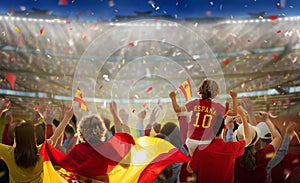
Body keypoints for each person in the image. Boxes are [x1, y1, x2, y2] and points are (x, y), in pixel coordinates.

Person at [0, 97, 74, 183]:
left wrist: (1, 109)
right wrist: (66, 119)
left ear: (15, 138)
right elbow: (56, 135)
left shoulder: (9, 154)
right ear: (34, 137)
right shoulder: (41, 152)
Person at [169, 79, 238, 156]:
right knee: (204, 163)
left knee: (194, 163)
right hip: (206, 142)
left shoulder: (195, 103)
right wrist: (234, 97)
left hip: (191, 141)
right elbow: (234, 113)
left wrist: (173, 98)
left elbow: (177, 109)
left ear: (200, 90)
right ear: (215, 93)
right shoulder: (217, 107)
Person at [187, 106, 252, 183]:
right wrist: (243, 116)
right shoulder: (231, 148)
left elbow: (189, 169)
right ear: (224, 128)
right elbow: (248, 139)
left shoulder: (201, 150)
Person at [234, 111, 282, 183]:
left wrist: (230, 126)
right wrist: (267, 120)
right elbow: (278, 138)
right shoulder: (262, 156)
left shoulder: (233, 159)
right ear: (256, 140)